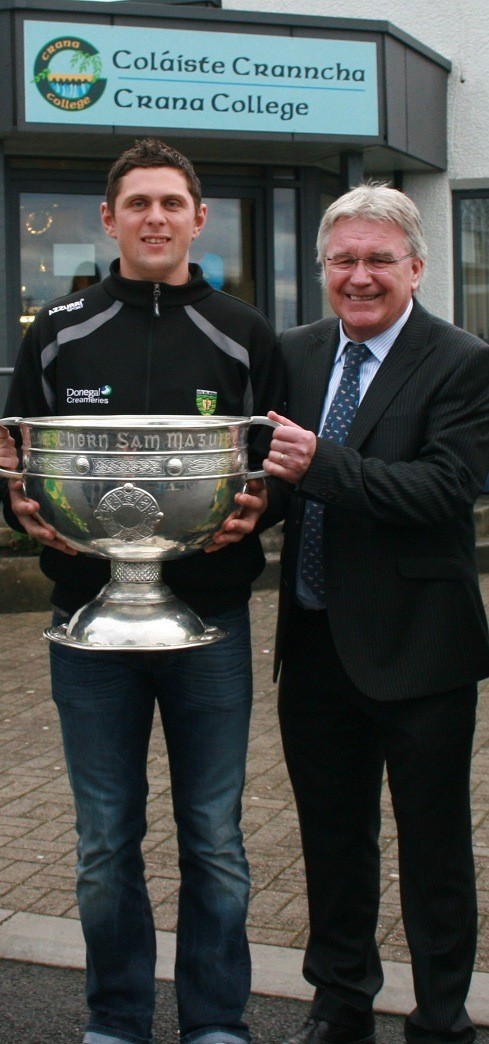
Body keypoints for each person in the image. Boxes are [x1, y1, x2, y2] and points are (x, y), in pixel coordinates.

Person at [0, 137, 284, 1044]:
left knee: (215, 840)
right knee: (100, 845)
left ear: (199, 218)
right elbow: (18, 467)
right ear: (109, 218)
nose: (155, 218)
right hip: (87, 627)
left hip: (212, 622)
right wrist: (22, 515)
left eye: (171, 203)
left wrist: (260, 512)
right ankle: (115, 1019)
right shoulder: (57, 331)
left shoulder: (244, 334)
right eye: (138, 204)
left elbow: (275, 464)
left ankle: (214, 1022)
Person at [261, 184, 489, 1044]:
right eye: (342, 260)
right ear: (322, 267)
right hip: (314, 643)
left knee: (433, 848)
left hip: (418, 651)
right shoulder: (294, 352)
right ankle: (340, 1000)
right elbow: (276, 479)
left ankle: (439, 1017)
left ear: (415, 268)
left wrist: (320, 463)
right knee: (331, 840)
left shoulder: (461, 359)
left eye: (377, 260)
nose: (358, 277)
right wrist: (243, 515)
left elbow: (442, 490)